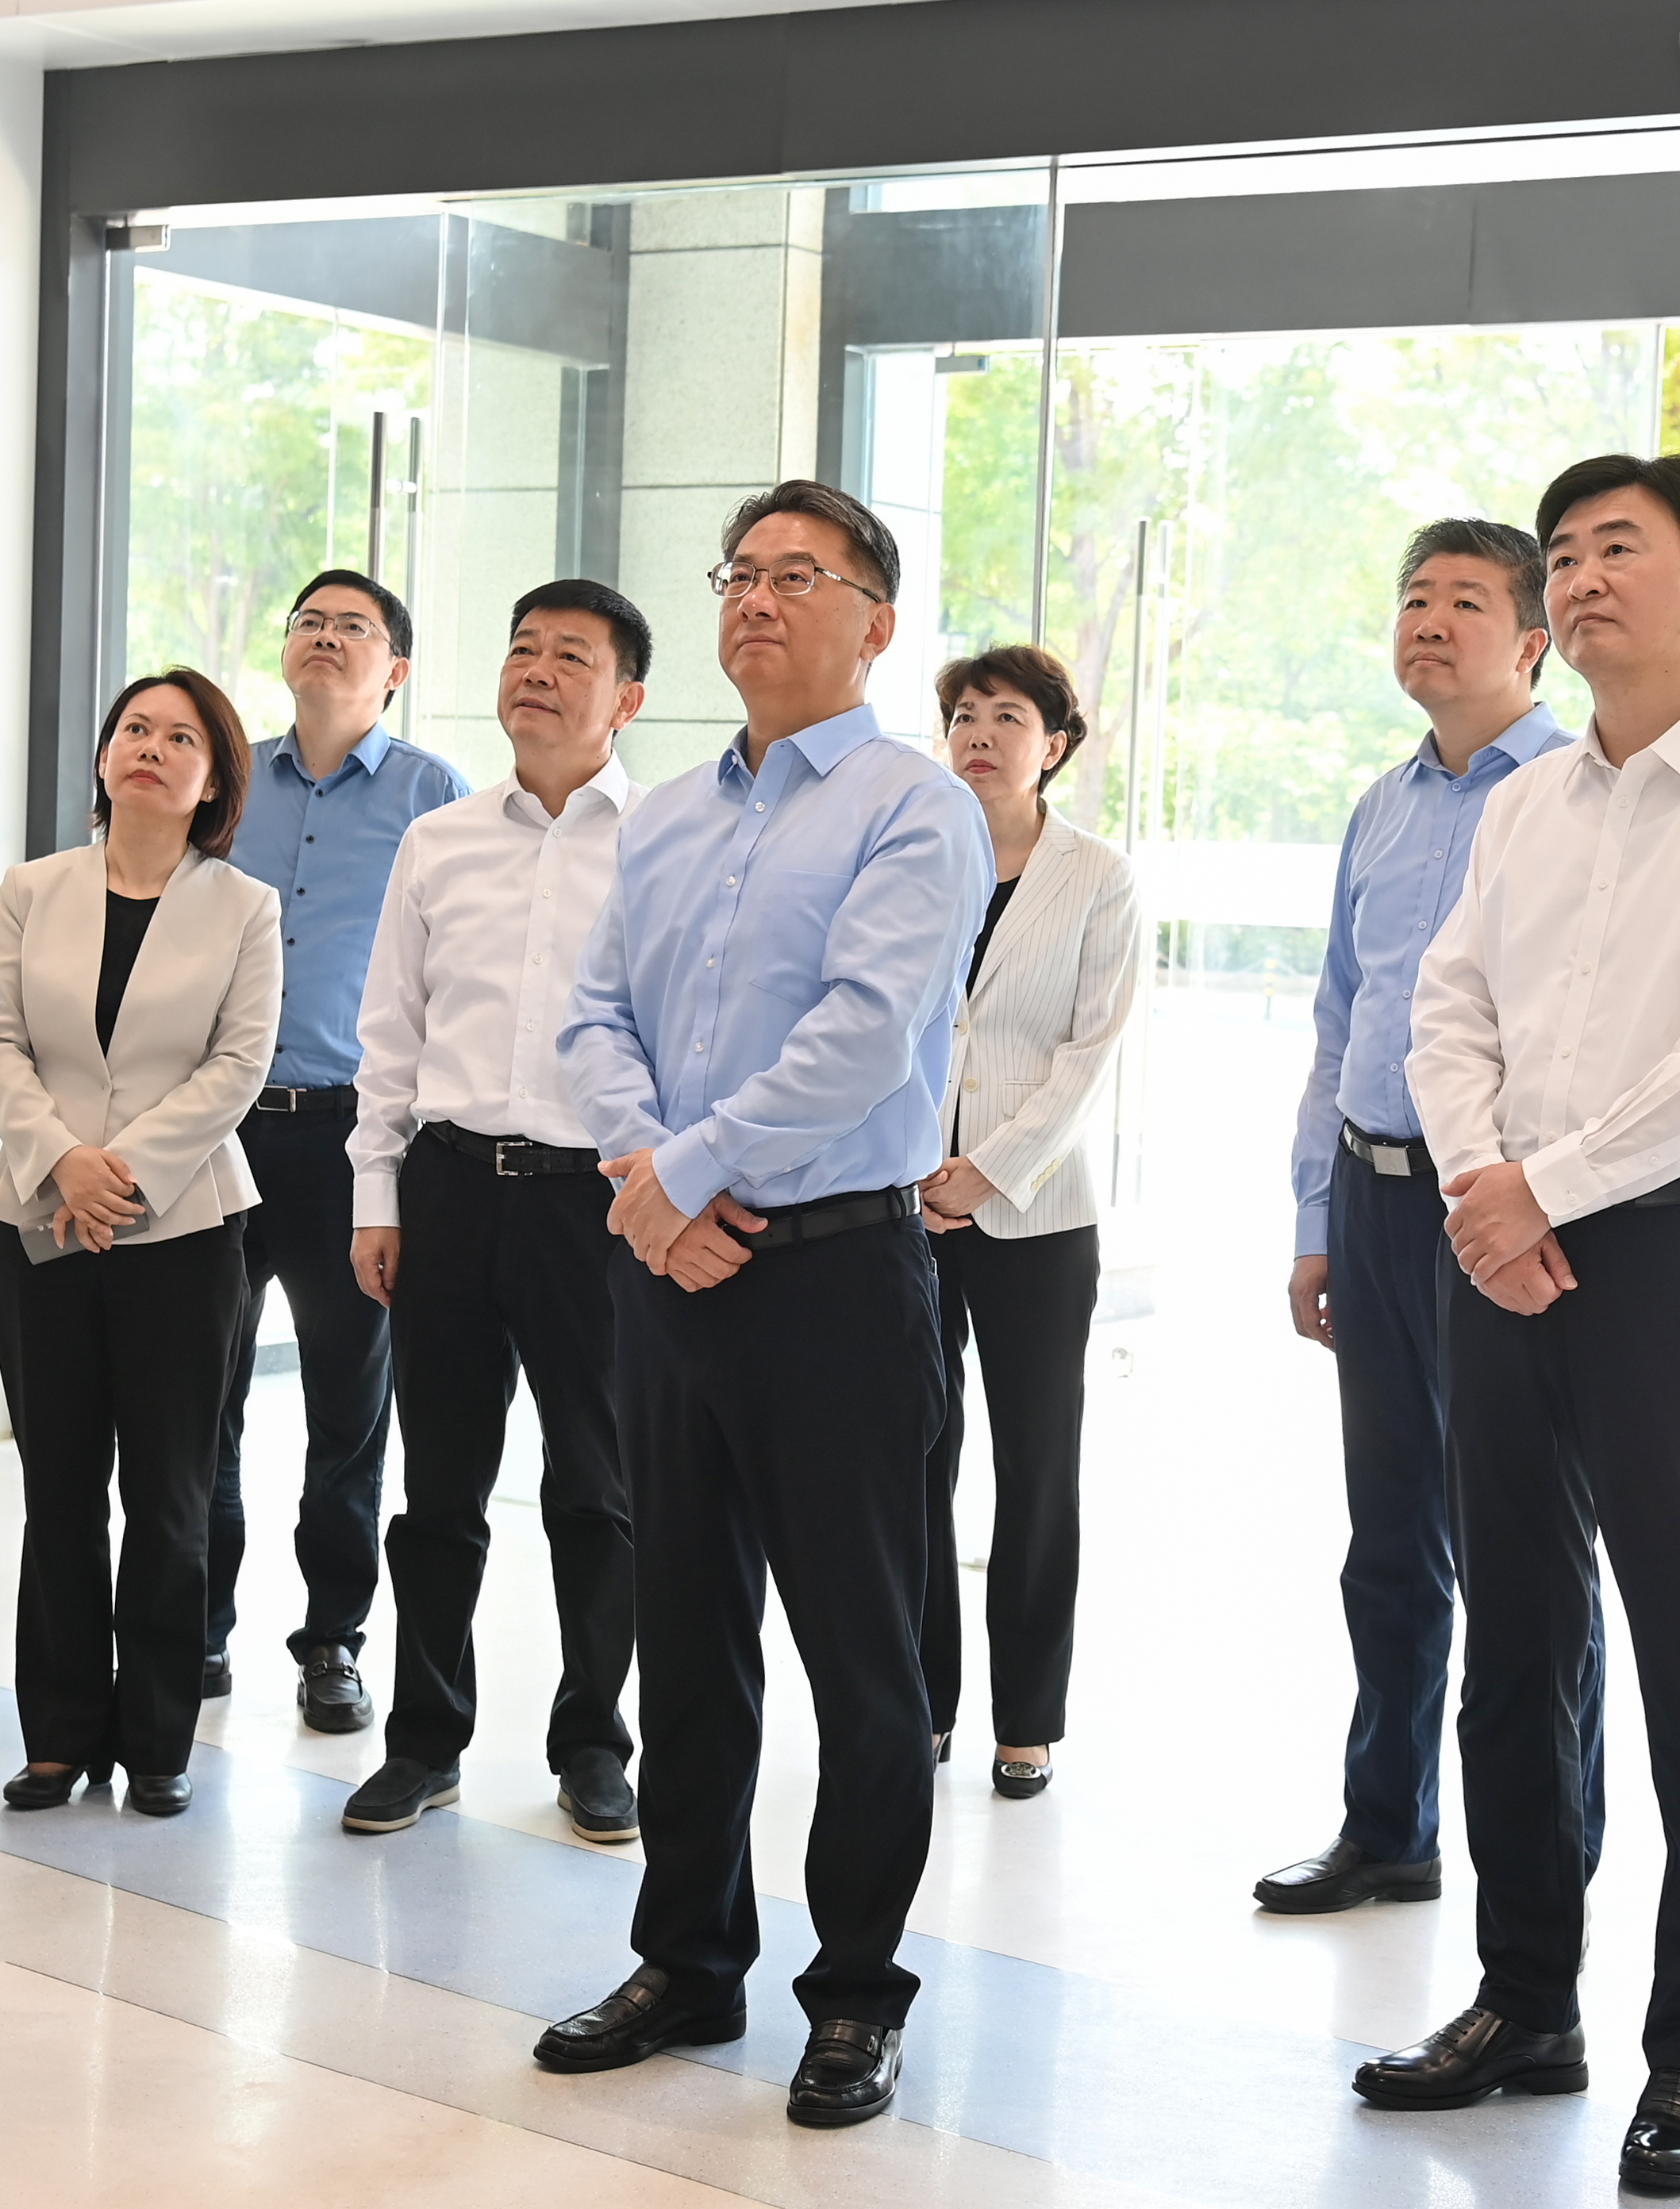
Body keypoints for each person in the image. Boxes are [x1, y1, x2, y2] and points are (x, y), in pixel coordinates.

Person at [1356, 455, 1680, 2196]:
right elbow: (1447, 1009)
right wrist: (1481, 1183)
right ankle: (1525, 2001)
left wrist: (1541, 1186)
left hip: (1673, 1255)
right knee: (1513, 1640)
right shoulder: (1528, 806)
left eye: (1618, 549)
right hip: (1496, 1245)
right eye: (1564, 554)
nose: (1579, 579)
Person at [537, 481, 986, 2131]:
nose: (757, 599)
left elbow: (868, 1031)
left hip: (839, 1276)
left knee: (862, 1657)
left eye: (800, 575)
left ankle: (855, 1991)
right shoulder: (662, 814)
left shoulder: (913, 805)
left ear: (876, 622)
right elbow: (591, 1019)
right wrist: (651, 1182)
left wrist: (685, 1170)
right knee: (686, 1640)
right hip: (670, 1269)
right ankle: (688, 1957)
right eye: (740, 572)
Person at [1257, 520, 1605, 1915]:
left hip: (1504, 1211)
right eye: (1414, 597)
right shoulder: (1383, 804)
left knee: (1530, 1559)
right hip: (1372, 1198)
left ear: (1532, 641)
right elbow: (1340, 1016)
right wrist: (1314, 1216)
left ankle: (1548, 1867)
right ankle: (1387, 1824)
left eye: (1466, 599)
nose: (1430, 620)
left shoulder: (1578, 794)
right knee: (1390, 1543)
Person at [337, 581, 652, 1846]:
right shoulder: (442, 838)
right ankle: (425, 1740)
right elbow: (390, 1032)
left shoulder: (665, 843)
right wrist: (376, 1192)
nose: (538, 670)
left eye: (572, 655)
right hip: (452, 1189)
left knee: (600, 1491)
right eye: (524, 648)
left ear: (627, 699)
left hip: (598, 1203)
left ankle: (594, 1743)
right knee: (439, 1489)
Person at [0, 668, 280, 1821]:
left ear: (213, 781)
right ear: (105, 758)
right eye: (135, 730)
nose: (152, 747)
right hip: (39, 1217)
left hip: (185, 1228)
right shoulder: (32, 889)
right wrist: (64, 1160)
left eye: (181, 738)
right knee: (58, 1488)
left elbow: (239, 1064)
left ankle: (158, 1739)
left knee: (169, 1495)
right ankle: (58, 1738)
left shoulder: (243, 907)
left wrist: (126, 1174)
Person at [213, 570, 468, 1727]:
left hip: (350, 1139)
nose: (324, 636)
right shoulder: (227, 780)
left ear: (395, 669)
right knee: (199, 1398)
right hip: (214, 1130)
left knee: (348, 1411)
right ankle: (195, 1630)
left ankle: (331, 1640)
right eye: (308, 621)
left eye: (351, 627)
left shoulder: (433, 797)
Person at [913, 645, 1138, 1802]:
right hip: (902, 1201)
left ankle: (1029, 1720)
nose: (981, 733)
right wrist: (913, 1165)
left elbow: (1090, 1054)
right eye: (965, 714)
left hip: (1036, 1214)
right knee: (914, 1457)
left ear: (1053, 745)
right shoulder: (911, 857)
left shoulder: (1099, 875)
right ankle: (923, 1702)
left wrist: (988, 1170)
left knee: (1038, 1467)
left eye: (1009, 716)